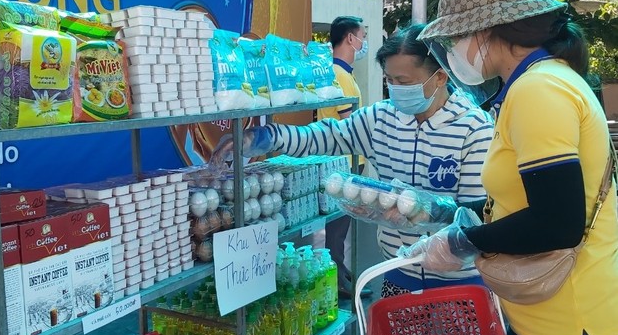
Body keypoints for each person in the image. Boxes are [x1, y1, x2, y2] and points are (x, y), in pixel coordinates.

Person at [409, 0, 618, 335]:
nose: (454, 51)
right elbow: (523, 198)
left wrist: (463, 241)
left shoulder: (538, 90)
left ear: (489, 31)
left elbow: (558, 223)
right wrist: (444, 211)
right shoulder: (538, 82)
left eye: (456, 38)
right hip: (548, 318)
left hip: (568, 329)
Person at [211, 24, 494, 297]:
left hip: (458, 284)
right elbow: (326, 137)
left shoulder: (473, 129)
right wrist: (267, 137)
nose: (395, 89)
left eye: (404, 82)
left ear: (440, 76)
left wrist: (426, 214)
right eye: (390, 80)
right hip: (397, 274)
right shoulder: (381, 119)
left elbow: (475, 217)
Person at [317, 16, 369, 298]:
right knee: (338, 226)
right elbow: (351, 124)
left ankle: (341, 272)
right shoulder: (340, 76)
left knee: (341, 224)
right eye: (363, 35)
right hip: (343, 161)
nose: (364, 42)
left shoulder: (337, 73)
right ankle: (336, 279)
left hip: (343, 160)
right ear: (351, 38)